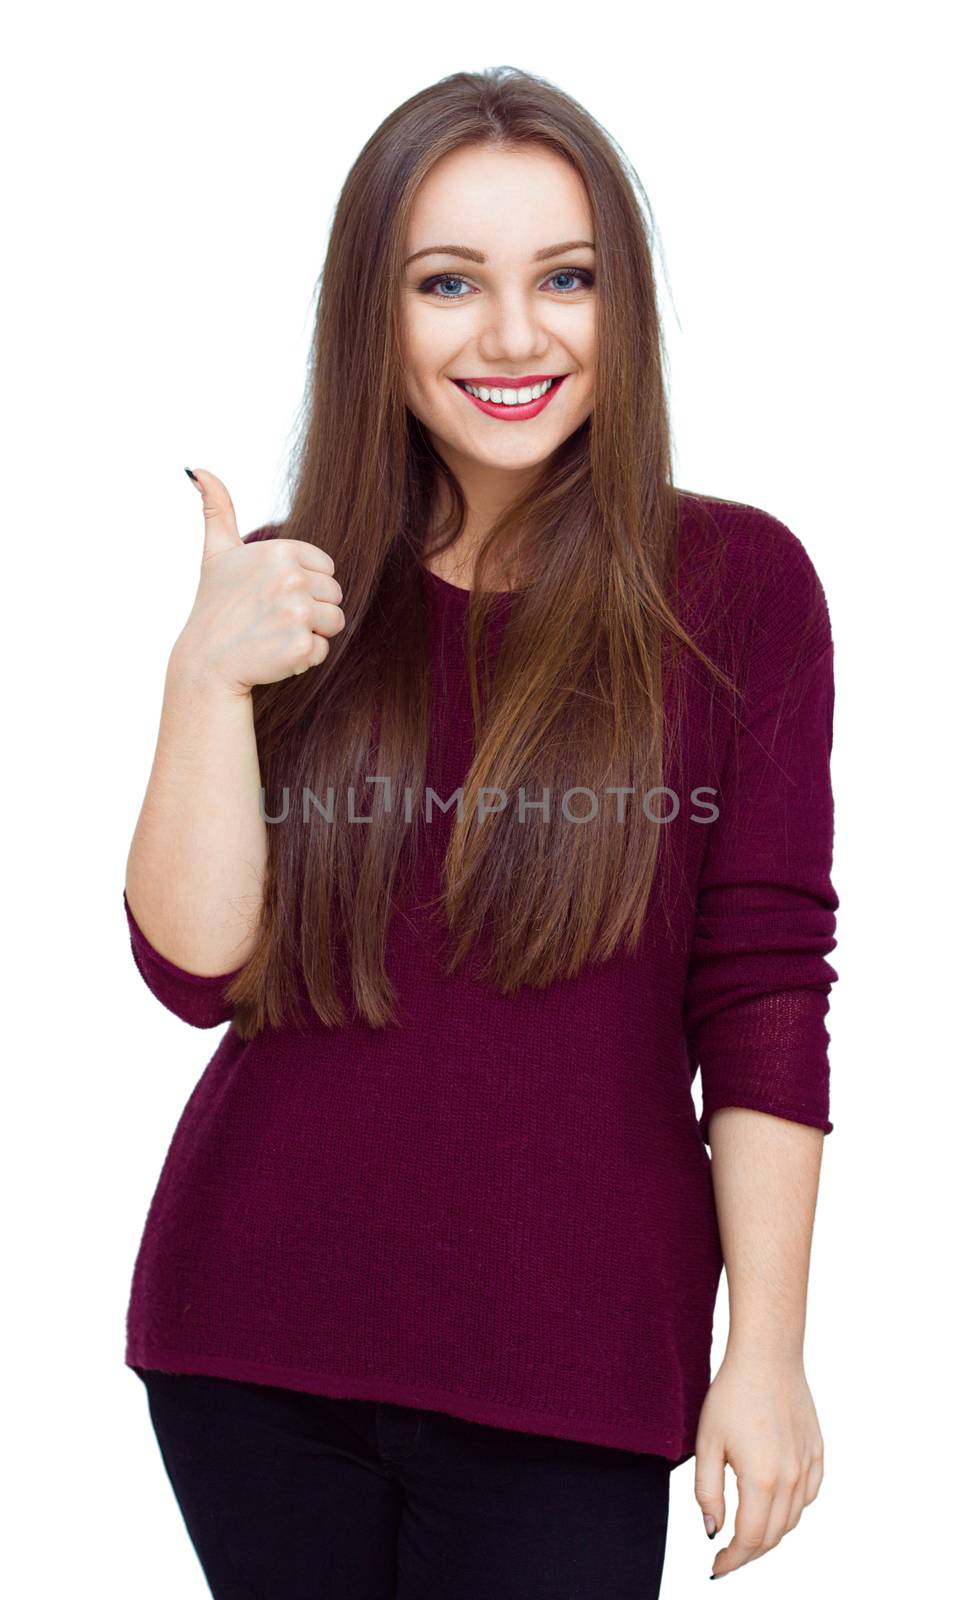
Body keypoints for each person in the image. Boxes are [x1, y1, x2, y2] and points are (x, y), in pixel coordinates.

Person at [122, 66, 838, 1598]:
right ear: (373, 318)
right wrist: (200, 678)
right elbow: (197, 973)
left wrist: (762, 1352)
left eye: (563, 279)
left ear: (618, 306)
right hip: (251, 1344)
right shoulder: (294, 588)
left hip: (572, 1367)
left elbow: (764, 988)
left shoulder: (734, 589)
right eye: (448, 282)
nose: (512, 336)